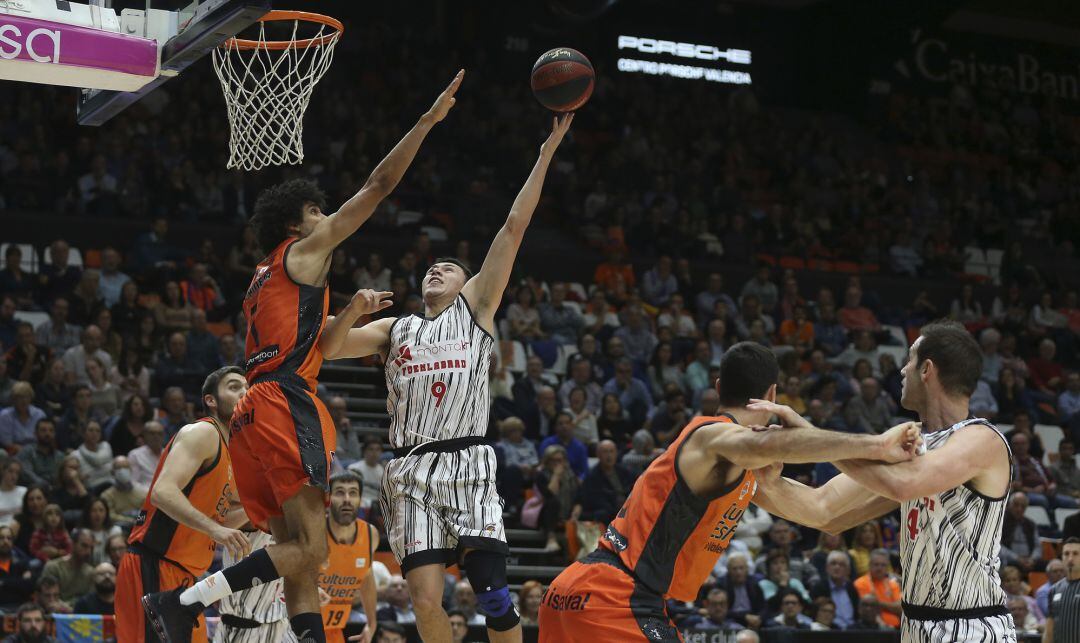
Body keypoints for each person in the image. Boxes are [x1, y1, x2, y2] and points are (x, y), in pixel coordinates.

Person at [145, 73, 465, 643]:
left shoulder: (263, 276)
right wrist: (428, 122)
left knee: (296, 552)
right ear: (298, 222)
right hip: (283, 402)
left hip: (251, 413)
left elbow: (319, 345)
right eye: (319, 212)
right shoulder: (303, 251)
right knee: (314, 548)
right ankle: (184, 601)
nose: (327, 220)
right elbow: (379, 184)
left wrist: (350, 317)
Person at [317, 114, 575, 643]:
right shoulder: (397, 328)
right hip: (409, 469)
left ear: (466, 284)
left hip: (467, 460)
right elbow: (326, 346)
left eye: (448, 268)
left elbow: (513, 226)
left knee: (493, 595)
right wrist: (352, 310)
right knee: (424, 598)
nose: (436, 270)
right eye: (430, 268)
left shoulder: (477, 308)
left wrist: (547, 152)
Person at [537, 342, 920, 640]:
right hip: (613, 596)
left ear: (719, 387)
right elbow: (767, 446)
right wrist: (876, 445)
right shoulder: (711, 435)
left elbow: (823, 510)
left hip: (588, 592)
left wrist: (909, 479)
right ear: (772, 392)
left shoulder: (740, 471)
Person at [752, 321, 1018, 642]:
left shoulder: (981, 438)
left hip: (973, 628)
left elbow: (903, 484)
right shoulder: (914, 446)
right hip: (915, 626)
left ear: (927, 369)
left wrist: (808, 436)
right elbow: (822, 510)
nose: (903, 370)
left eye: (910, 359)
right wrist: (755, 480)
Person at [118, 367, 250, 643]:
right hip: (154, 565)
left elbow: (220, 522)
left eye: (247, 387)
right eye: (234, 386)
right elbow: (162, 493)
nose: (244, 392)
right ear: (211, 400)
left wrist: (258, 508)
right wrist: (216, 531)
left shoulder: (231, 453)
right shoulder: (203, 432)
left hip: (186, 578)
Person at [318, 472, 378, 643]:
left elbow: (366, 578)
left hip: (334, 630)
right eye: (339, 492)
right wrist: (307, 589)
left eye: (353, 493)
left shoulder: (370, 534)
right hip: (298, 628)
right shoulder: (315, 530)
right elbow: (288, 575)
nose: (346, 499)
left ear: (360, 499)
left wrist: (372, 623)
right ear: (328, 498)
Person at [212, 529, 290, 643]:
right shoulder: (250, 519)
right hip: (225, 625)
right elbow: (220, 526)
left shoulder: (296, 528)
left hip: (267, 629)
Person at [809, 550, 859, 630]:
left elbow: (857, 615)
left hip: (852, 632)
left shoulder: (852, 589)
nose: (837, 567)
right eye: (833, 563)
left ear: (848, 570)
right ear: (827, 568)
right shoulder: (819, 588)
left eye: (841, 565)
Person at [41, 529, 95, 603]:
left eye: (91, 548)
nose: (88, 552)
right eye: (84, 546)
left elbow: (89, 601)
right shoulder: (54, 567)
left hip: (81, 613)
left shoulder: (91, 572)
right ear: (73, 544)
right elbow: (47, 597)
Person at [1043, 537, 1080, 643]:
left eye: (1075, 554)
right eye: (1066, 554)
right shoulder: (1054, 590)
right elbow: (1048, 631)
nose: (1070, 558)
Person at [853, 548, 901, 628]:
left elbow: (900, 608)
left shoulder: (893, 584)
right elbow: (868, 607)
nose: (879, 568)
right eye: (876, 564)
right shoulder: (861, 583)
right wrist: (892, 606)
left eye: (883, 565)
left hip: (897, 628)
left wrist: (878, 603)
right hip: (873, 628)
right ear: (870, 565)